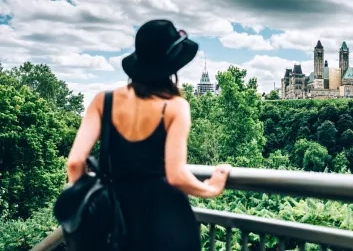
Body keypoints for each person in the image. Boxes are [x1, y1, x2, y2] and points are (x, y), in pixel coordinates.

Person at [66, 19, 231, 250]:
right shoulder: (174, 106)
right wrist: (211, 188)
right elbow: (176, 176)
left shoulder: (103, 101)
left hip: (118, 219)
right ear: (172, 66)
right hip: (167, 221)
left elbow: (75, 164)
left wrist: (91, 204)